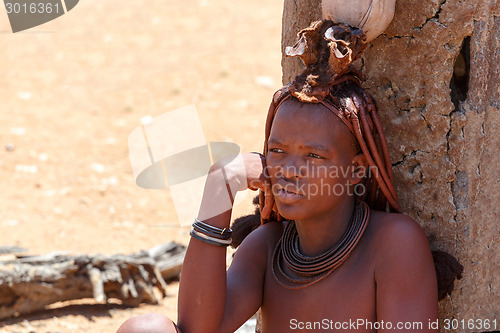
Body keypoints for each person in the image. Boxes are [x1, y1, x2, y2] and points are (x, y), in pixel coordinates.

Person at [117, 20, 442, 333]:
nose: (288, 169)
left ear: (355, 170)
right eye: (278, 151)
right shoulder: (268, 246)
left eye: (313, 156)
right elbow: (199, 328)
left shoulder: (393, 244)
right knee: (144, 329)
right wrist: (221, 183)